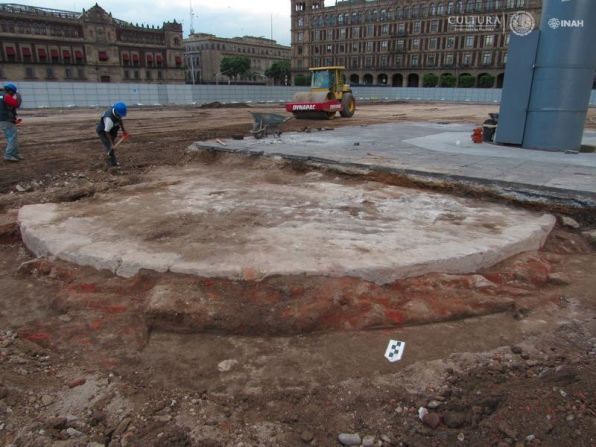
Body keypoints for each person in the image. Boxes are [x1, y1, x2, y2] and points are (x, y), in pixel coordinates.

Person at [96, 102, 128, 167]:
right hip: (103, 132)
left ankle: (110, 158)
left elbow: (120, 120)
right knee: (109, 147)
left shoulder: (117, 113)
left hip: (112, 130)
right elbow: (107, 132)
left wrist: (124, 131)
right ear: (116, 112)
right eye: (120, 115)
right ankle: (112, 164)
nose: (120, 116)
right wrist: (111, 144)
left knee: (111, 147)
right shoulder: (109, 119)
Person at [0, 83, 23, 162]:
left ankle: (15, 153)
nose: (13, 94)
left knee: (12, 137)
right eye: (13, 93)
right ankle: (8, 155)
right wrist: (18, 96)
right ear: (10, 91)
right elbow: (16, 104)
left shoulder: (1, 95)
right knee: (12, 138)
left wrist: (14, 120)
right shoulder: (6, 96)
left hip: (4, 120)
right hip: (6, 120)